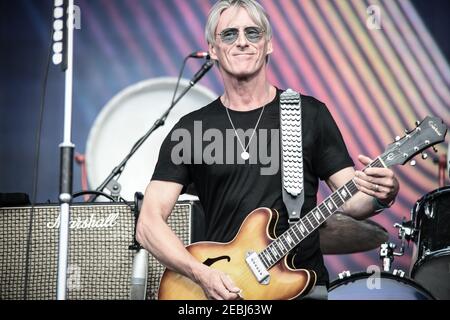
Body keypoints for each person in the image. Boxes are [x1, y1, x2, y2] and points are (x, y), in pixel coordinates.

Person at [136, 0, 399, 300]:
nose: (243, 42)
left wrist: (383, 194)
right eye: (229, 34)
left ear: (268, 44)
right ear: (212, 49)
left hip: (302, 287)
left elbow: (353, 203)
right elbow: (148, 224)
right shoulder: (191, 129)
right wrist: (201, 273)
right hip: (224, 292)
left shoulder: (308, 115)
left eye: (253, 32)